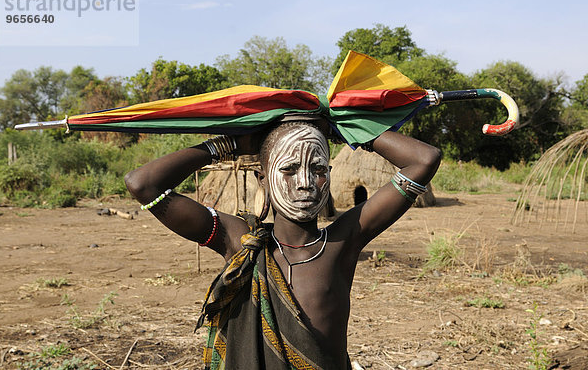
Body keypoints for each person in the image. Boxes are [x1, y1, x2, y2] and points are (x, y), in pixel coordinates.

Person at [124, 118, 441, 369]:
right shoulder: (240, 241)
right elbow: (143, 184)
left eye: (318, 169)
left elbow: (424, 160)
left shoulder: (344, 240)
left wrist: (347, 128)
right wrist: (227, 145)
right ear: (262, 177)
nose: (305, 181)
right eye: (288, 169)